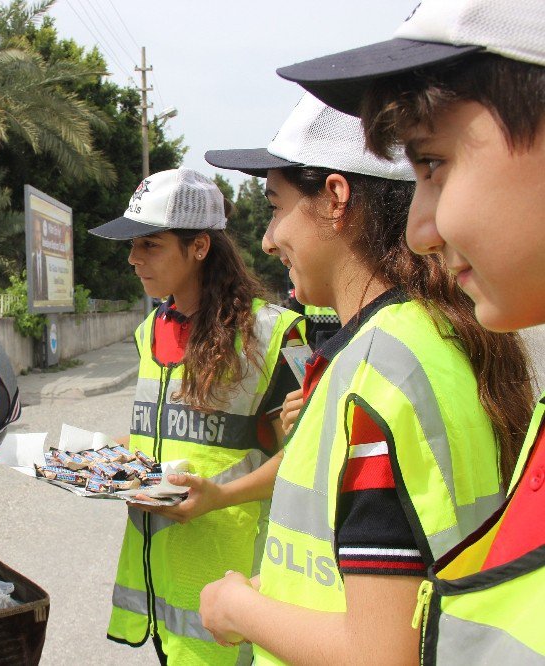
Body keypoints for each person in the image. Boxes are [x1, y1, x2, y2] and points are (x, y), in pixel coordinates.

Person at [198, 94, 533, 664]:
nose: (268, 238)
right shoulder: (436, 337)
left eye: (276, 206)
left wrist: (236, 608)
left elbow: (382, 651)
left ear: (334, 198)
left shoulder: (381, 370)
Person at [274, 0, 545, 660]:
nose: (422, 231)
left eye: (433, 163)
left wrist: (239, 607)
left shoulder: (388, 361)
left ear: (337, 198)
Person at [88, 168, 306, 665]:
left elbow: (304, 460)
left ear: (200, 247)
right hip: (159, 578)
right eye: (133, 245)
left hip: (232, 585)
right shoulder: (150, 331)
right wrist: (96, 460)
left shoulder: (273, 335)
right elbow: (166, 437)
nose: (132, 258)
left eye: (150, 244)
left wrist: (221, 497)